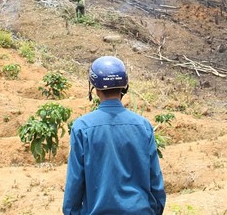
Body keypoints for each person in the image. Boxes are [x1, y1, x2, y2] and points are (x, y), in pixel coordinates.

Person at [63, 56, 166, 214]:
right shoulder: (143, 126)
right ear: (124, 87)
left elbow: (75, 183)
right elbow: (155, 182)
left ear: (95, 89)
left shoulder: (82, 128)